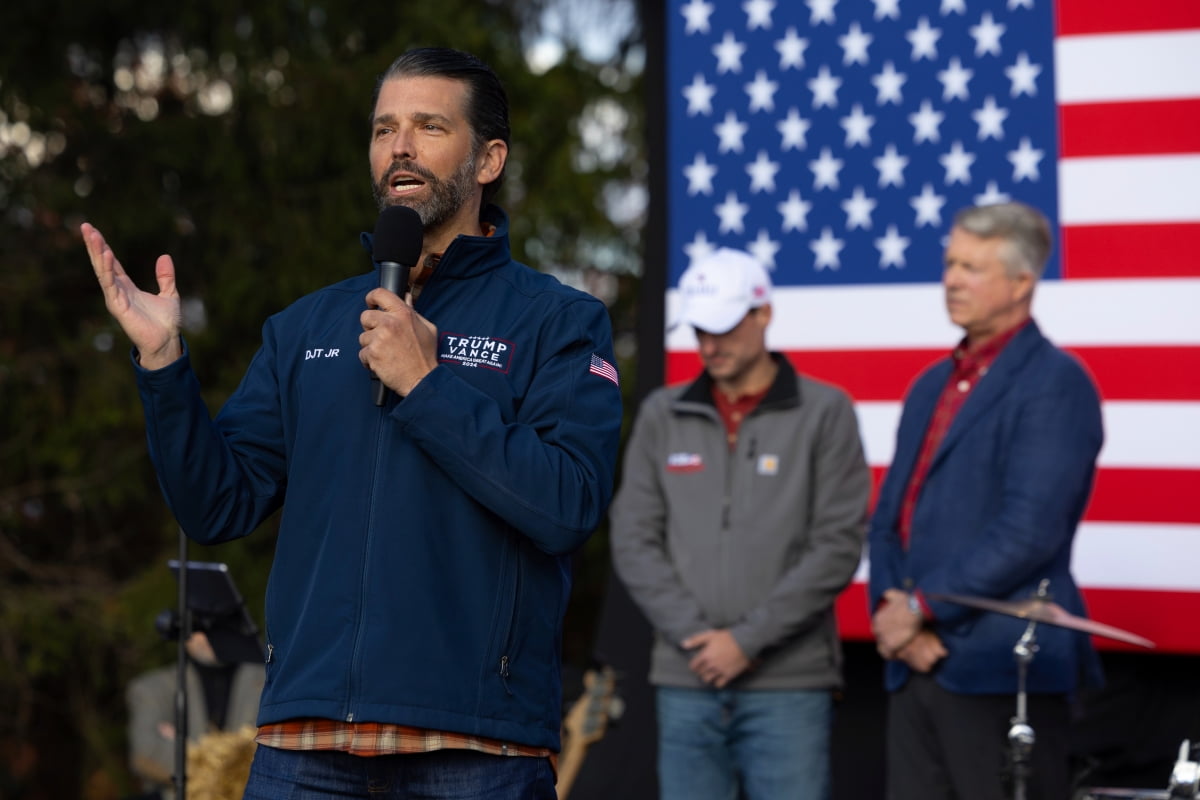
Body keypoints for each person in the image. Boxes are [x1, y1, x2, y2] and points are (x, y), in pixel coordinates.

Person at [83, 47, 623, 799]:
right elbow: (216, 505)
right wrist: (165, 364)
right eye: (383, 129)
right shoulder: (307, 325)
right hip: (306, 742)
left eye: (429, 126)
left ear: (489, 158)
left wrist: (427, 384)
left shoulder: (558, 321)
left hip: (475, 744)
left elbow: (567, 505)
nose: (399, 146)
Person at [610, 247, 872, 800]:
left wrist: (747, 642)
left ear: (764, 313)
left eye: (725, 327)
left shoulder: (826, 412)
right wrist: (696, 638)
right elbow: (633, 537)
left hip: (789, 684)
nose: (711, 344)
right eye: (701, 329)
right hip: (686, 678)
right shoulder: (662, 414)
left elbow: (837, 546)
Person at [867, 201, 1105, 800]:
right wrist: (897, 621)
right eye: (949, 263)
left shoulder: (1057, 383)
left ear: (1023, 281)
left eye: (970, 267)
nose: (950, 280)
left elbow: (1029, 531)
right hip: (914, 666)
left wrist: (921, 607)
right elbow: (891, 517)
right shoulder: (930, 385)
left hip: (1003, 670)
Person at [126, 630, 264, 800]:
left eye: (215, 626)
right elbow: (146, 753)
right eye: (197, 627)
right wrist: (234, 764)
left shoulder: (267, 681)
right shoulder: (153, 688)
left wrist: (192, 752)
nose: (206, 635)